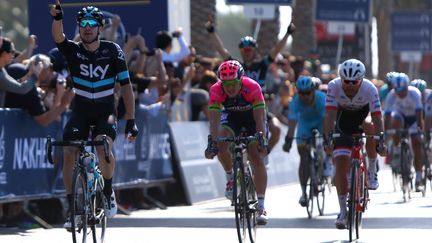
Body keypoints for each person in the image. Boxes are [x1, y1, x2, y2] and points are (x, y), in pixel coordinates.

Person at [50, 1, 138, 229]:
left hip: (105, 111)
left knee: (102, 146)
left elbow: (126, 86)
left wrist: (130, 120)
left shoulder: (112, 50)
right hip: (80, 110)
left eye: (92, 24)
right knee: (69, 150)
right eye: (83, 24)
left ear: (99, 27)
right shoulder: (73, 50)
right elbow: (58, 37)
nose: (87, 28)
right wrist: (58, 18)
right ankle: (72, 209)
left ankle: (108, 191)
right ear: (79, 27)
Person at [205, 19, 295, 155]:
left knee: (276, 129)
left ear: (254, 50)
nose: (246, 52)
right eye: (243, 50)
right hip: (236, 107)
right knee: (227, 137)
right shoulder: (234, 66)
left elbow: (276, 50)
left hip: (257, 107)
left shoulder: (262, 64)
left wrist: (288, 33)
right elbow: (221, 50)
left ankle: (264, 153)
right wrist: (212, 32)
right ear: (240, 51)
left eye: (249, 49)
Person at [323, 59, 386, 229]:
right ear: (341, 79)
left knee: (369, 126)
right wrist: (328, 138)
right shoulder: (333, 86)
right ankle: (343, 212)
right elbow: (329, 116)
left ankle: (372, 169)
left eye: (354, 82)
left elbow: (377, 117)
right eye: (346, 82)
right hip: (343, 120)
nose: (350, 85)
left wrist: (381, 139)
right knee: (341, 164)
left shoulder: (369, 88)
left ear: (361, 80)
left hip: (363, 116)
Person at [204, 60, 268, 225]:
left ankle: (261, 206)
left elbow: (260, 117)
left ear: (240, 80)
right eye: (226, 84)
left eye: (233, 83)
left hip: (253, 120)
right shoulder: (216, 90)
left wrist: (261, 137)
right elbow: (214, 120)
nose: (230, 88)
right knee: (221, 143)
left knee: (255, 155)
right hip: (232, 119)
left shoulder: (252, 87)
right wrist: (212, 141)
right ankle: (231, 177)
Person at [282, 75, 329, 207]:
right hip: (305, 126)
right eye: (301, 93)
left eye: (307, 93)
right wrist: (288, 141)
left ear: (313, 91)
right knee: (303, 156)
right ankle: (304, 193)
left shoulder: (321, 98)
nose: (305, 96)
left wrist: (326, 139)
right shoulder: (295, 102)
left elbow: (326, 121)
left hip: (320, 123)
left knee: (325, 143)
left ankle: (323, 164)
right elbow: (292, 123)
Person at [384, 73, 424, 192]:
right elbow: (387, 116)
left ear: (407, 87)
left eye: (403, 91)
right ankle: (397, 150)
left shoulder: (415, 93)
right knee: (394, 121)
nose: (400, 94)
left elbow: (419, 114)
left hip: (413, 118)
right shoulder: (391, 95)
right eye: (398, 91)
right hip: (400, 116)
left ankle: (418, 176)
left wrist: (419, 130)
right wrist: (387, 132)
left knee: (416, 142)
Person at [0, 36, 38, 107]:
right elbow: (22, 89)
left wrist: (29, 74)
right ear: (4, 54)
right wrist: (35, 75)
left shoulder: (2, 70)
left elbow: (16, 83)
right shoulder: (1, 75)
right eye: (12, 52)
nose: (13, 55)